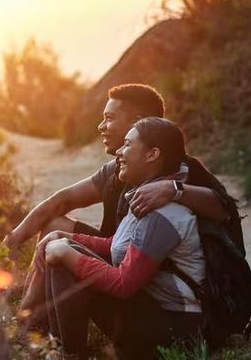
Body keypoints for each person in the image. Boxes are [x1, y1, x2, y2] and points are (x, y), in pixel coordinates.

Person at [2, 84, 236, 325]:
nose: (101, 126)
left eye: (109, 118)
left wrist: (173, 190)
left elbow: (223, 209)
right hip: (120, 254)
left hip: (168, 287)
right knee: (54, 227)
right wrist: (8, 244)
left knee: (64, 254)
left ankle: (29, 329)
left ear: (138, 122)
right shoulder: (119, 169)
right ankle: (30, 320)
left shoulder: (180, 170)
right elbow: (63, 200)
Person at [39, 117, 205, 359]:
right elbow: (116, 245)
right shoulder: (147, 194)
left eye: (127, 145)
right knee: (63, 246)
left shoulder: (163, 214)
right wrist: (66, 236)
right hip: (151, 308)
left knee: (65, 258)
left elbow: (124, 285)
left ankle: (68, 353)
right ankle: (61, 347)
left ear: (152, 154)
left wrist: (67, 252)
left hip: (174, 327)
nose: (119, 152)